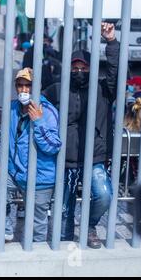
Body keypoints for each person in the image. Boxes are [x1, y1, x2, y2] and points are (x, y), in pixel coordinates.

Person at [42, 22, 120, 249]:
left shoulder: (104, 90)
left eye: (83, 67)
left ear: (91, 68)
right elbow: (38, 105)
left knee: (104, 194)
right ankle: (65, 243)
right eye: (74, 67)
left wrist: (111, 42)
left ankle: (89, 226)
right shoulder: (58, 89)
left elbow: (115, 70)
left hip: (94, 156)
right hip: (66, 158)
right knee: (65, 207)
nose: (79, 71)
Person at [0, 68, 61, 247]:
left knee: (37, 222)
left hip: (40, 177)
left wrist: (38, 122)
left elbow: (53, 147)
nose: (24, 90)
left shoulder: (47, 111)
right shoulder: (12, 108)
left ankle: (37, 253)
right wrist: (1, 164)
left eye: (28, 86)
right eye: (20, 86)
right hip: (15, 173)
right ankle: (5, 231)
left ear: (36, 88)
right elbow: (7, 141)